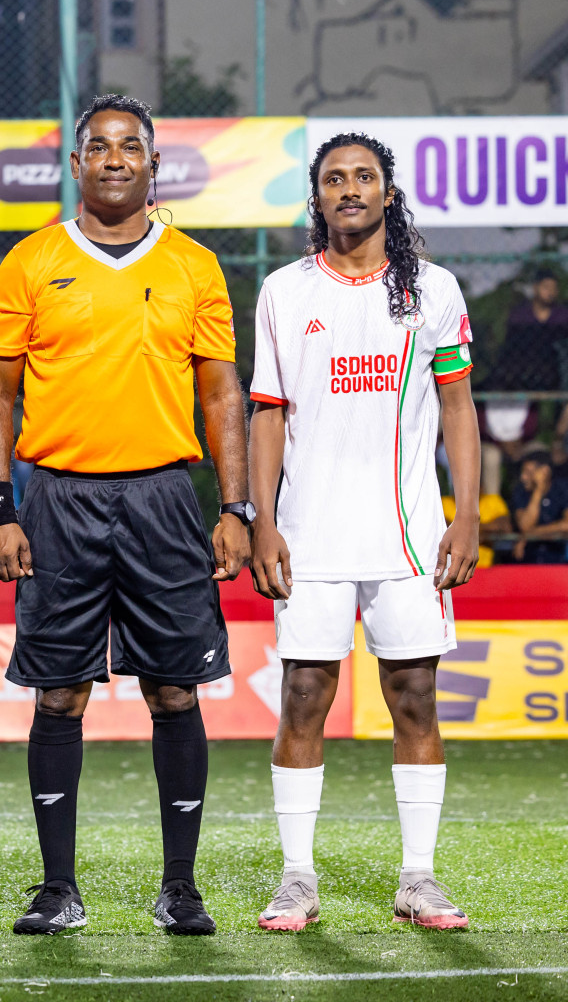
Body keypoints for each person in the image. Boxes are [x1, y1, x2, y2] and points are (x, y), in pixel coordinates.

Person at [0, 93, 250, 936]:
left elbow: (219, 393)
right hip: (56, 498)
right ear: (77, 164)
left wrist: (236, 507)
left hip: (165, 496)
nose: (116, 159)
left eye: (132, 146)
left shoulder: (194, 266)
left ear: (154, 163)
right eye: (100, 146)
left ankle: (180, 886)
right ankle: (58, 887)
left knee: (175, 690)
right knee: (59, 695)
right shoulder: (30, 260)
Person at [249, 132, 479, 933]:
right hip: (310, 537)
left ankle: (419, 878)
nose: (350, 189)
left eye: (365, 177)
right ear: (316, 198)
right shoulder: (283, 291)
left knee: (414, 697)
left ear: (388, 192)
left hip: (411, 535)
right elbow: (267, 416)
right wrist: (262, 520)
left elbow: (458, 409)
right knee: (303, 695)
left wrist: (468, 512)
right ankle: (297, 878)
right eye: (335, 178)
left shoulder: (435, 291)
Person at [478, 270, 568, 492]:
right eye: (546, 287)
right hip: (524, 372)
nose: (550, 292)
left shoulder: (562, 315)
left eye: (553, 288)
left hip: (556, 372)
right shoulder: (521, 316)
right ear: (536, 289)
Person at [509, 450, 568, 563]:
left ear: (545, 471)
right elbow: (525, 526)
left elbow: (566, 525)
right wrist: (539, 490)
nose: (523, 477)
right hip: (527, 562)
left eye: (528, 473)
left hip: (558, 562)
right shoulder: (520, 491)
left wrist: (529, 535)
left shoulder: (562, 489)